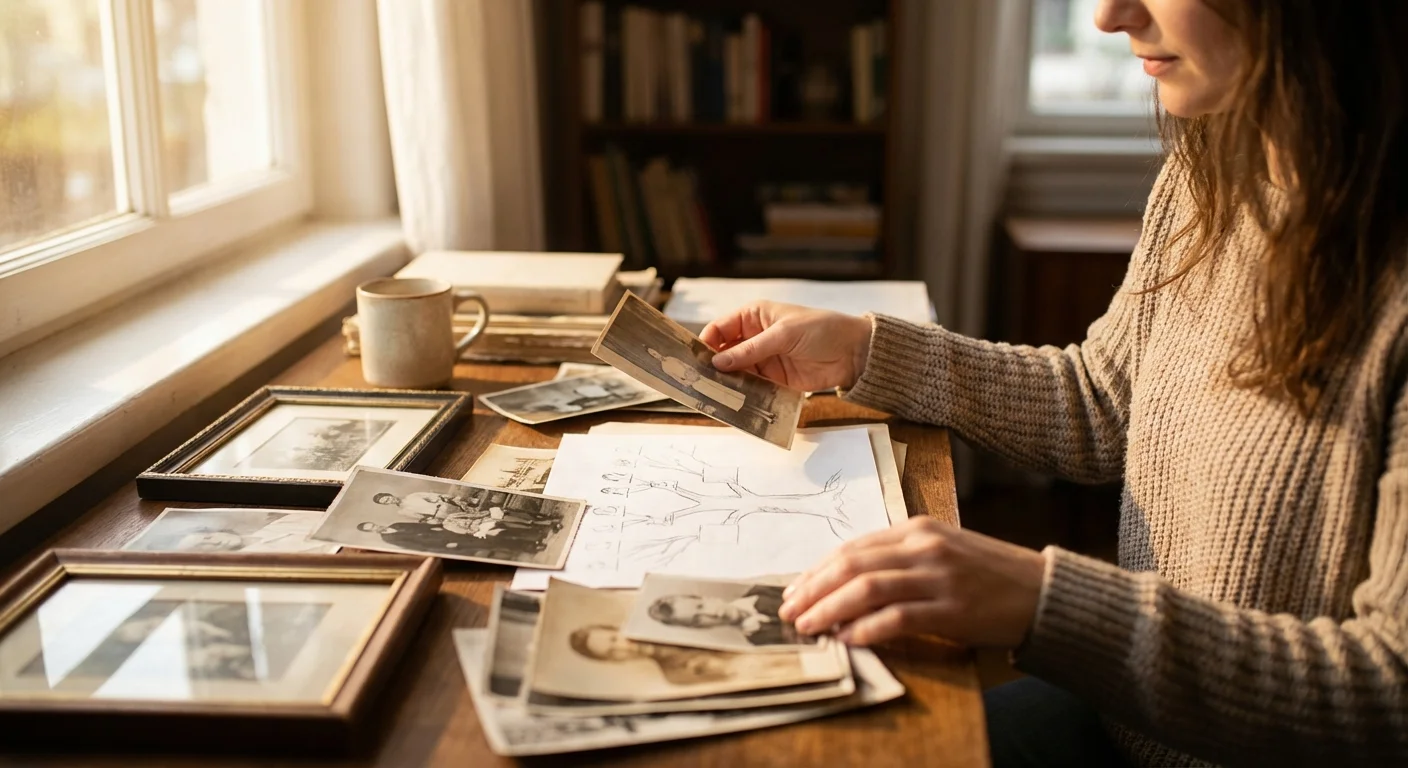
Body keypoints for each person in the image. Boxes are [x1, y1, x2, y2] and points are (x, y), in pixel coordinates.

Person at [699, 2, 1408, 766]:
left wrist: (1042, 602)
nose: (1109, 15)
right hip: (1127, 724)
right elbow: (1104, 402)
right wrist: (866, 351)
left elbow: (1389, 688)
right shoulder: (1210, 174)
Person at [567, 625, 801, 686]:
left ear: (617, 629)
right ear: (615, 662)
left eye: (614, 639)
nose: (624, 648)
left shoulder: (673, 621)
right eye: (614, 654)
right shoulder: (675, 676)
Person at [648, 586, 805, 646]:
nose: (713, 613)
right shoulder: (758, 641)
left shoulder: (763, 589)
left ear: (707, 598)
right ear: (701, 627)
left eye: (701, 606)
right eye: (698, 618)